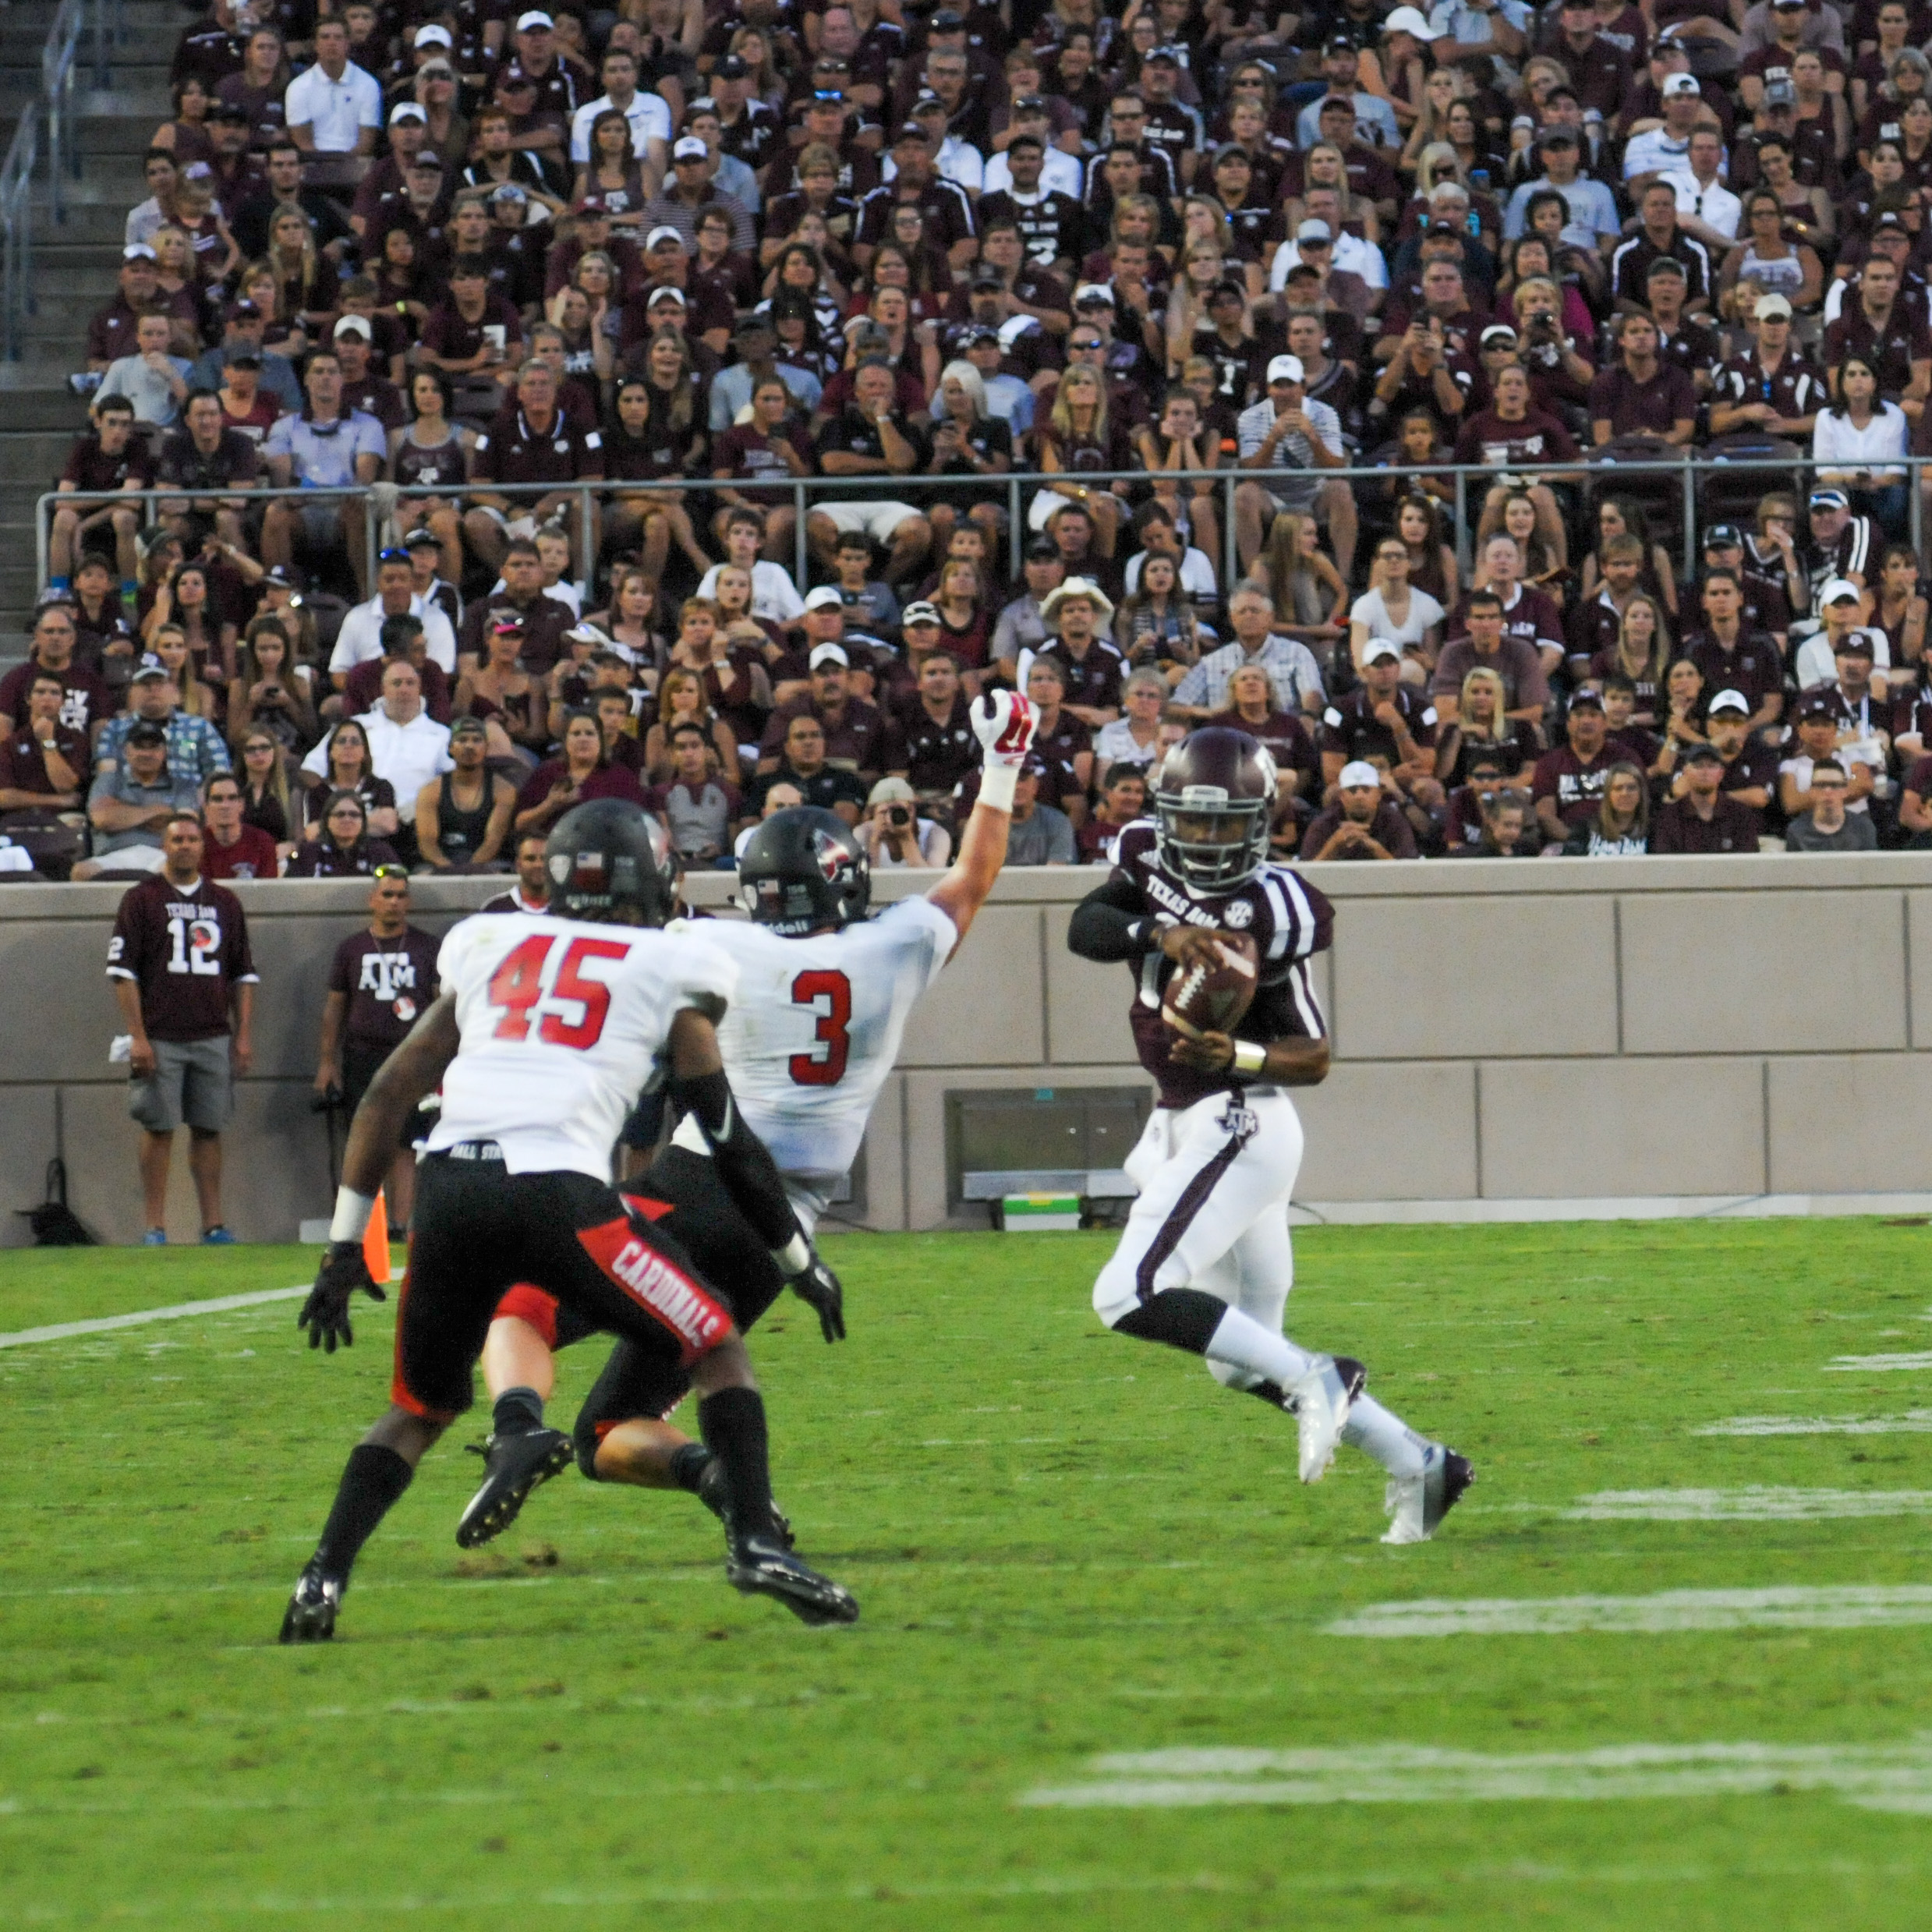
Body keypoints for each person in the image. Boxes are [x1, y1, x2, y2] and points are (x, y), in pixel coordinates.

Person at [457, 696, 1040, 1555]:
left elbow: (614, 929)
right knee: (610, 1431)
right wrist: (1002, 764)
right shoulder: (894, 950)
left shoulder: (715, 947)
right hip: (777, 1237)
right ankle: (723, 1481)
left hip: (693, 1193)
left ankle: (515, 1428)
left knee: (518, 1306)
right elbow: (976, 873)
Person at [279, 799, 858, 1641]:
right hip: (562, 1197)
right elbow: (726, 1135)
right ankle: (758, 1542)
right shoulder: (672, 961)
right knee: (715, 1344)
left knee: (419, 1409)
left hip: (448, 1194)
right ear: (655, 876)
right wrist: (799, 1261)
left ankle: (320, 1580)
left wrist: (342, 1248)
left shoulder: (492, 942)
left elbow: (388, 1094)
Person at [1066, 727, 1469, 1541]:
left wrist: (1239, 1049)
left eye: (1226, 825)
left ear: (1261, 821)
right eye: (1195, 822)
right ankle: (1420, 1464)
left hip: (1241, 1122)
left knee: (1128, 1292)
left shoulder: (1278, 906)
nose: (1207, 840)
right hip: (1188, 1123)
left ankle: (1324, 1377)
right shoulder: (1146, 850)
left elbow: (1315, 1057)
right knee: (1233, 1357)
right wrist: (1157, 933)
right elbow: (1088, 926)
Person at [105, 811, 256, 1246]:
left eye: (192, 839)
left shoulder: (226, 902)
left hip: (211, 1031)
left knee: (210, 1128)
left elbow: (242, 976)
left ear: (203, 845)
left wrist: (242, 1035)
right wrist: (137, 1035)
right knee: (158, 1128)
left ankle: (212, 1224)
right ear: (164, 846)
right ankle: (154, 1225)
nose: (185, 846)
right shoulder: (141, 899)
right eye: (177, 840)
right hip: (161, 1034)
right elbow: (123, 973)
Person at [314, 869, 438, 1233]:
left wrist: (441, 1062)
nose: (394, 902)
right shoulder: (352, 948)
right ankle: (363, 1226)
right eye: (387, 895)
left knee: (407, 1142)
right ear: (372, 899)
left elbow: (439, 1006)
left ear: (409, 902)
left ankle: (399, 1224)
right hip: (362, 1054)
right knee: (365, 1141)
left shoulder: (427, 946)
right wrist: (327, 1062)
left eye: (400, 895)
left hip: (412, 1056)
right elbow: (335, 1008)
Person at [76, 720, 207, 879]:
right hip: (112, 856)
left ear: (165, 752)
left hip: (160, 855)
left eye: (153, 747)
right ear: (126, 751)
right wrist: (159, 810)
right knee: (81, 871)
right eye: (139, 747)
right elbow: (103, 819)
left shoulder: (182, 786)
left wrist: (120, 810)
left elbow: (185, 825)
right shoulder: (108, 780)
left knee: (173, 871)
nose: (146, 754)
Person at [415, 716, 515, 871]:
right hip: (442, 862)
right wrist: (448, 869)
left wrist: (469, 870)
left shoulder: (504, 790)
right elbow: (427, 842)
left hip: (486, 863)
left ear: (486, 747)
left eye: (476, 740)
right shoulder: (430, 790)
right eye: (462, 740)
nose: (469, 746)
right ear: (450, 748)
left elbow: (493, 841)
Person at [1650, 742, 1761, 852]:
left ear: (1721, 774)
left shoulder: (1741, 815)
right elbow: (1665, 863)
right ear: (1685, 772)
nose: (1705, 772)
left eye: (1712, 766)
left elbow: (1749, 863)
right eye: (1698, 766)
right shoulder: (1669, 817)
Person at [1304, 759, 1420, 860]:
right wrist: (1334, 845)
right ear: (1342, 796)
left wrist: (1376, 849)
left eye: (1366, 790)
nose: (1359, 796)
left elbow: (1407, 875)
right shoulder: (1324, 824)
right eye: (1352, 790)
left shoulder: (1394, 822)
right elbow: (1304, 876)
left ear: (1379, 794)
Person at [198, 770, 279, 880]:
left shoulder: (263, 842)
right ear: (206, 807)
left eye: (232, 798)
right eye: (217, 799)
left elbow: (267, 893)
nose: (225, 806)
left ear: (241, 805)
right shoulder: (195, 844)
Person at [1785, 758, 1880, 850]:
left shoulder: (1864, 828)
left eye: (1835, 785)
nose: (1828, 791)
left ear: (1845, 791)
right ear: (1812, 791)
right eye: (1821, 785)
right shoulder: (1796, 831)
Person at [858, 773, 950, 866]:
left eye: (898, 810)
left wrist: (906, 838)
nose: (890, 817)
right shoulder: (864, 833)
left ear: (912, 810)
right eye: (884, 812)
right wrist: (875, 841)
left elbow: (932, 879)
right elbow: (863, 879)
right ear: (874, 813)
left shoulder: (935, 834)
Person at [1560, 761, 1650, 855]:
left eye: (1631, 788)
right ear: (1608, 794)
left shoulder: (1654, 830)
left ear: (1641, 793)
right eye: (1618, 788)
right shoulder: (1585, 829)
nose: (1625, 794)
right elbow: (1569, 866)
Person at [481, 829, 553, 914]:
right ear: (518, 865)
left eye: (544, 858)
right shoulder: (495, 908)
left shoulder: (567, 910)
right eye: (530, 859)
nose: (538, 865)